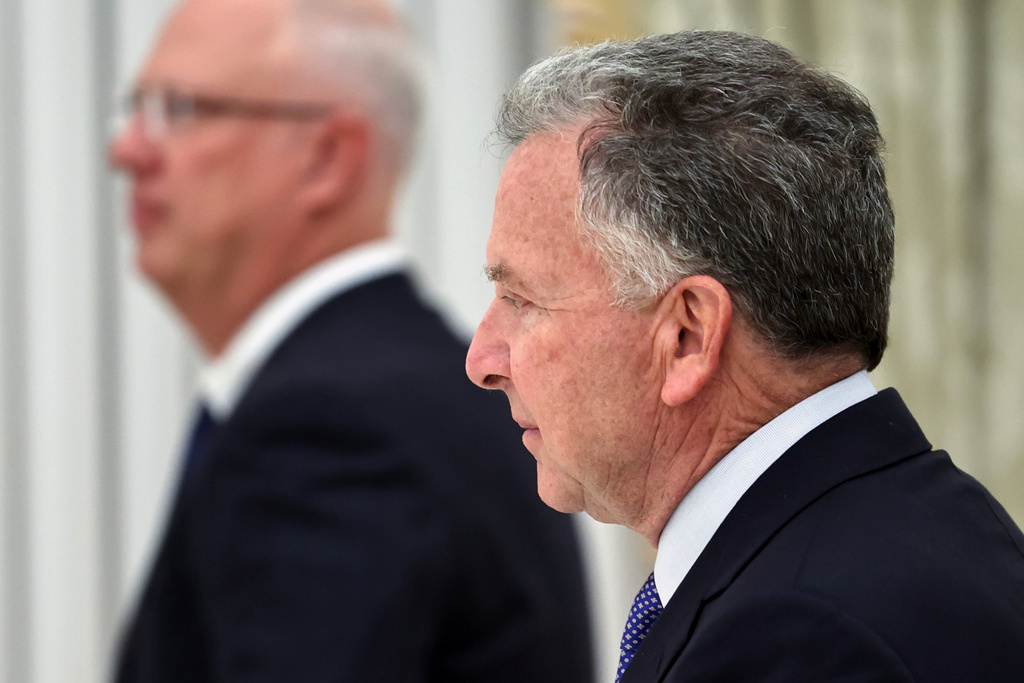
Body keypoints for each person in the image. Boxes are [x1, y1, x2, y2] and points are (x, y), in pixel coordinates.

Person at [466, 30, 1024, 683]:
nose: (483, 358)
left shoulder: (797, 636)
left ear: (688, 335)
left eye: (522, 298)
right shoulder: (927, 524)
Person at [108, 0, 593, 681]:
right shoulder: (420, 383)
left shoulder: (328, 426)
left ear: (328, 157)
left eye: (182, 109)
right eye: (137, 108)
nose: (125, 149)